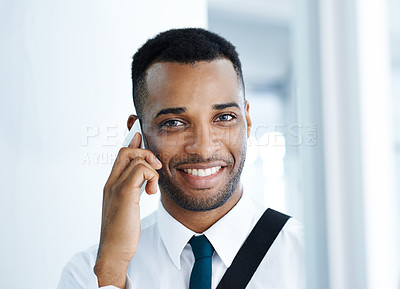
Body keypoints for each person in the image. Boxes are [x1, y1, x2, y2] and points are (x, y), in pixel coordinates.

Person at [57, 28, 305, 289]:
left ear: (248, 121)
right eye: (174, 123)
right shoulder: (88, 274)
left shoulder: (310, 259)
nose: (204, 148)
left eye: (224, 118)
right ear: (137, 134)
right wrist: (112, 272)